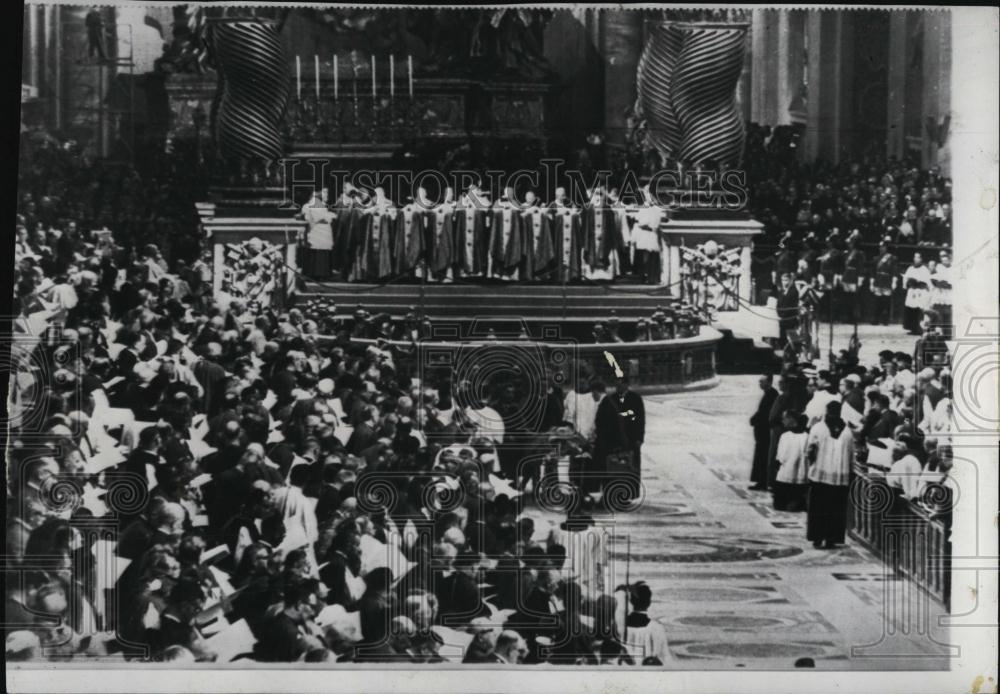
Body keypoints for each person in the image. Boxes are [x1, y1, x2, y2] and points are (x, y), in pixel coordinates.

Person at [805, 401, 855, 549]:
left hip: (820, 474)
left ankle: (817, 537)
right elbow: (851, 456)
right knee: (836, 509)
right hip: (840, 477)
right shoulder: (847, 432)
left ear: (827, 411)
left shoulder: (818, 428)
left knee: (818, 507)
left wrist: (811, 466)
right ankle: (831, 539)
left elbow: (810, 450)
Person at [594, 374, 645, 501]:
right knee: (612, 467)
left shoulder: (635, 399)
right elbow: (600, 419)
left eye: (621, 383)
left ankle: (627, 495)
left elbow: (640, 419)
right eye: (617, 383)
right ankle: (610, 494)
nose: (618, 385)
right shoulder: (609, 399)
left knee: (628, 467)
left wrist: (639, 438)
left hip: (630, 439)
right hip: (612, 440)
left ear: (627, 384)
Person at [772, 412, 809, 511]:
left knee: (779, 505)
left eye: (785, 418)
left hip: (786, 475)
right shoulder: (806, 436)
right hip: (801, 476)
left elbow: (781, 457)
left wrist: (777, 464)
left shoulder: (785, 436)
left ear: (792, 419)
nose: (783, 421)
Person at [748, 374, 778, 491]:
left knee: (763, 456)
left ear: (769, 382)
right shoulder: (768, 393)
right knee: (761, 455)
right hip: (761, 432)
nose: (760, 383)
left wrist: (755, 419)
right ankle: (761, 481)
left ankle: (763, 482)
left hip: (765, 432)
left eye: (762, 381)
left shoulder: (772, 395)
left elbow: (766, 414)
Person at [902, 252, 932, 334]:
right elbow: (905, 278)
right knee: (911, 309)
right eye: (915, 257)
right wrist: (907, 283)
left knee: (919, 309)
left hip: (920, 291)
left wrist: (920, 282)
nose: (916, 259)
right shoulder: (910, 268)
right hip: (912, 290)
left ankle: (919, 328)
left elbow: (927, 281)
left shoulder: (924, 269)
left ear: (921, 259)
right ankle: (912, 328)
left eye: (918, 257)